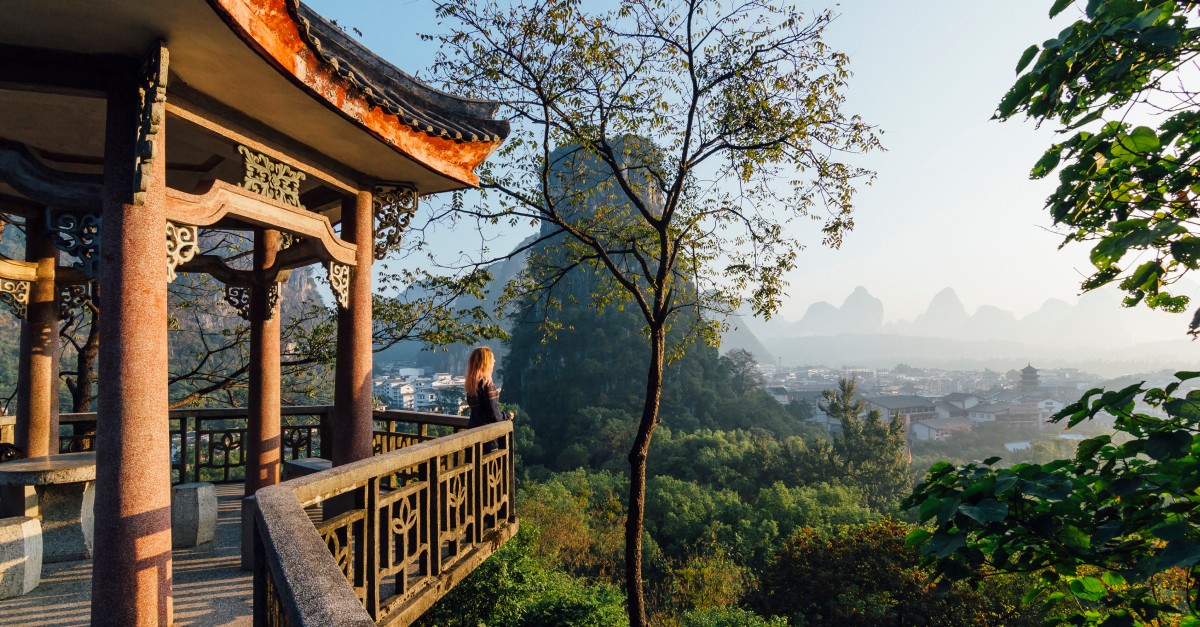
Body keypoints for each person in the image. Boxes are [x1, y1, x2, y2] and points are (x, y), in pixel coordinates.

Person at [465, 346, 511, 452]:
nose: (494, 361)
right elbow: (493, 415)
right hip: (486, 439)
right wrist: (507, 415)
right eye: (492, 359)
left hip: (472, 435)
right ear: (486, 362)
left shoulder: (471, 385)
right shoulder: (487, 384)